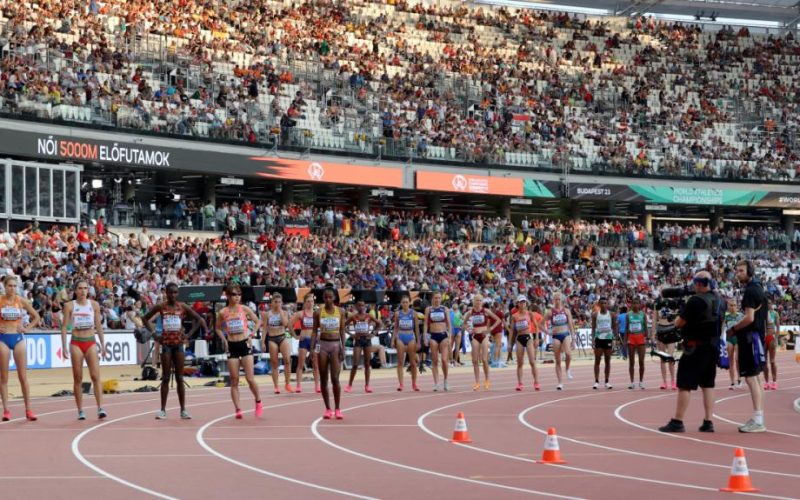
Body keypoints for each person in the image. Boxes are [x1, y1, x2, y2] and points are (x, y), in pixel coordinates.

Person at [659, 271, 723, 433]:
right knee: (708, 385)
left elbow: (679, 323)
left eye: (695, 282)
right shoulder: (720, 300)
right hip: (713, 347)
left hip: (695, 347)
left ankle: (678, 421)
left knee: (685, 385)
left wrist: (680, 311)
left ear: (700, 284)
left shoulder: (695, 301)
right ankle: (709, 421)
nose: (693, 286)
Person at [142, 283, 207, 420]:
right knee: (165, 378)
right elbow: (145, 318)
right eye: (170, 292)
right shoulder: (161, 307)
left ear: (178, 293)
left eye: (175, 292)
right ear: (166, 293)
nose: (173, 295)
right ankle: (162, 410)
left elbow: (199, 319)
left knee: (180, 378)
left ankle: (183, 410)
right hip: (166, 345)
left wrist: (188, 336)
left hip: (178, 345)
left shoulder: (182, 306)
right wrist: (154, 335)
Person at [727, 260, 769, 433]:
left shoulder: (751, 291)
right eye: (737, 270)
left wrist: (734, 328)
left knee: (752, 378)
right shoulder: (758, 288)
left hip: (750, 339)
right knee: (757, 378)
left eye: (741, 270)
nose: (738, 273)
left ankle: (758, 421)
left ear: (750, 271)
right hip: (757, 338)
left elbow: (750, 318)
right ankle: (759, 417)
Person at [61, 280, 107, 420]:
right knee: (78, 378)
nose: (83, 291)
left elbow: (98, 326)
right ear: (75, 290)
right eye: (80, 288)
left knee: (95, 376)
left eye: (85, 288)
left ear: (88, 290)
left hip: (90, 342)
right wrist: (64, 346)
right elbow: (64, 327)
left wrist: (103, 344)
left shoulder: (94, 305)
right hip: (76, 342)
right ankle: (80, 410)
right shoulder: (69, 305)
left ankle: (100, 408)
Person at [216, 284, 262, 419]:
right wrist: (224, 339)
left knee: (249, 378)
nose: (237, 297)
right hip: (232, 346)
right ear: (228, 296)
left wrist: (251, 334)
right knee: (234, 380)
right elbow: (218, 328)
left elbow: (258, 321)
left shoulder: (244, 308)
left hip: (244, 344)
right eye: (234, 295)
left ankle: (258, 400)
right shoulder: (223, 312)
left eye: (239, 294)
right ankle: (238, 409)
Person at [0, 275, 41, 421]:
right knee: (3, 377)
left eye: (14, 286)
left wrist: (27, 328)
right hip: (2, 340)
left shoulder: (20, 300)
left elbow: (36, 317)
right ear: (4, 286)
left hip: (17, 339)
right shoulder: (0, 300)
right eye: (9, 286)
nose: (12, 288)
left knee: (22, 377)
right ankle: (6, 410)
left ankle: (28, 410)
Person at [312, 287, 345, 419]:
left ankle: (337, 408)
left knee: (335, 378)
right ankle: (328, 409)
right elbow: (314, 331)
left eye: (330, 297)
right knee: (324, 378)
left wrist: (343, 347)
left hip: (336, 345)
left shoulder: (341, 311)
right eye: (325, 297)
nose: (328, 299)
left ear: (335, 298)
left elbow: (342, 330)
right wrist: (312, 349)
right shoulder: (318, 312)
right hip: (323, 345)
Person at [463, 295, 501, 391]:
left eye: (480, 300)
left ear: (482, 302)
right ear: (473, 301)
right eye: (477, 300)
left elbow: (498, 320)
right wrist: (468, 330)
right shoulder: (470, 312)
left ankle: (487, 380)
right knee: (475, 360)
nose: (479, 302)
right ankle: (477, 382)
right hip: (475, 336)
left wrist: (490, 329)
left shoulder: (486, 311)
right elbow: (463, 323)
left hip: (484, 336)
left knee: (484, 360)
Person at [345, 299, 380, 393]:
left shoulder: (369, 316)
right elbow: (343, 326)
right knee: (355, 364)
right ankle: (349, 385)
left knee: (367, 364)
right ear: (356, 307)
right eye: (359, 305)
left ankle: (367, 385)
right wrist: (351, 335)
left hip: (367, 340)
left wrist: (373, 334)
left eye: (363, 305)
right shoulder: (353, 316)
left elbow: (379, 324)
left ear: (365, 306)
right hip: (358, 341)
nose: (361, 307)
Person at [260, 293, 293, 394]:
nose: (277, 304)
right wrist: (262, 342)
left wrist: (280, 312)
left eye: (279, 302)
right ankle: (276, 386)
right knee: (274, 363)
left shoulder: (285, 312)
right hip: (272, 338)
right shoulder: (267, 314)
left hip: (282, 337)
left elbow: (285, 324)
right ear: (271, 303)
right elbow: (265, 328)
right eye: (275, 302)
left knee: (287, 360)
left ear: (281, 302)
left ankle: (287, 384)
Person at [289, 293, 320, 393]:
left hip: (314, 340)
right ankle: (298, 385)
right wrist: (295, 336)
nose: (310, 303)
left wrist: (320, 334)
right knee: (300, 364)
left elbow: (322, 326)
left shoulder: (317, 313)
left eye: (312, 301)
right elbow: (290, 324)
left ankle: (317, 386)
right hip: (304, 340)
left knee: (315, 364)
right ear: (305, 303)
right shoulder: (300, 314)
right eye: (308, 301)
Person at [509, 296, 541, 391]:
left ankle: (536, 382)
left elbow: (536, 326)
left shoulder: (530, 314)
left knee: (532, 361)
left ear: (526, 303)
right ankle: (520, 383)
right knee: (520, 363)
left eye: (524, 302)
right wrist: (510, 344)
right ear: (517, 304)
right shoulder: (514, 316)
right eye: (520, 302)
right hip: (519, 338)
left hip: (528, 337)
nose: (522, 304)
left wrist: (537, 339)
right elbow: (511, 331)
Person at [544, 293, 575, 390]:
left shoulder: (566, 311)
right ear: (553, 300)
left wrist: (573, 339)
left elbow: (571, 325)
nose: (557, 301)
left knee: (568, 354)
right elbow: (540, 323)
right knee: (557, 360)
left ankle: (567, 368)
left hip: (565, 334)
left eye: (558, 299)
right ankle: (560, 383)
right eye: (555, 299)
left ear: (561, 300)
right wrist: (547, 331)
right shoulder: (550, 312)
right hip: (556, 336)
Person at [423, 292, 452, 392]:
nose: (437, 300)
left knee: (444, 360)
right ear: (433, 299)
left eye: (439, 298)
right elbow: (426, 324)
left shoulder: (445, 309)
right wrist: (425, 337)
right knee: (434, 361)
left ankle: (446, 380)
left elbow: (449, 323)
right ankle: (436, 383)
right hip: (433, 335)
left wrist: (450, 336)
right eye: (436, 298)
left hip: (443, 335)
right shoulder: (428, 309)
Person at [393, 295, 420, 391]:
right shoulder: (397, 314)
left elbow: (416, 328)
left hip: (410, 337)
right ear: (401, 303)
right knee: (400, 362)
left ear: (409, 303)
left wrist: (418, 342)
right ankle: (401, 384)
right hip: (400, 337)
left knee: (412, 362)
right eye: (403, 302)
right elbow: (395, 328)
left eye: (406, 302)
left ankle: (414, 384)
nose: (405, 304)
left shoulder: (413, 313)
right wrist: (393, 340)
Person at [592, 297, 616, 390]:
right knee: (597, 360)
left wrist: (615, 339)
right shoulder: (595, 315)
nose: (603, 305)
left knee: (607, 360)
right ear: (599, 304)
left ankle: (607, 381)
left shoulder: (611, 314)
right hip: (598, 338)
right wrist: (593, 339)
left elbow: (614, 326)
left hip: (608, 338)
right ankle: (596, 381)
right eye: (601, 303)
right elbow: (593, 328)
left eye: (605, 303)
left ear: (607, 304)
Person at [625, 297, 649, 389]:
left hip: (640, 338)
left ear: (640, 304)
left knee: (641, 361)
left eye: (637, 303)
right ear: (631, 304)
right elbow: (627, 328)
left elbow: (646, 327)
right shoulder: (628, 315)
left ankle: (641, 381)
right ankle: (632, 382)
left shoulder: (643, 315)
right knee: (631, 362)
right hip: (631, 338)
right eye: (634, 303)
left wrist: (647, 338)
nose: (635, 305)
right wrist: (625, 341)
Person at [656, 305, 678, 390]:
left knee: (670, 357)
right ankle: (664, 382)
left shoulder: (673, 303)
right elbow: (655, 319)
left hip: (671, 330)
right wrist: (654, 332)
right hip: (660, 330)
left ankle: (673, 381)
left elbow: (677, 318)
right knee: (662, 358)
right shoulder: (658, 304)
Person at [724, 298, 742, 390]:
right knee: (730, 360)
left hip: (738, 339)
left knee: (737, 359)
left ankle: (739, 379)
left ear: (737, 306)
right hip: (729, 339)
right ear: (728, 306)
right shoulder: (726, 316)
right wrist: (720, 339)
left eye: (734, 305)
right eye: (731, 305)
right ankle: (732, 382)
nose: (733, 307)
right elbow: (722, 328)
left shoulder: (741, 315)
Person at [763, 304, 780, 390]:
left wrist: (776, 339)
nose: (768, 305)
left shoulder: (775, 314)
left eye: (769, 303)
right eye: (767, 303)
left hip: (771, 337)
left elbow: (778, 327)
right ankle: (766, 382)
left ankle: (774, 381)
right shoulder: (762, 313)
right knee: (764, 362)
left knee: (772, 361)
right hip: (763, 338)